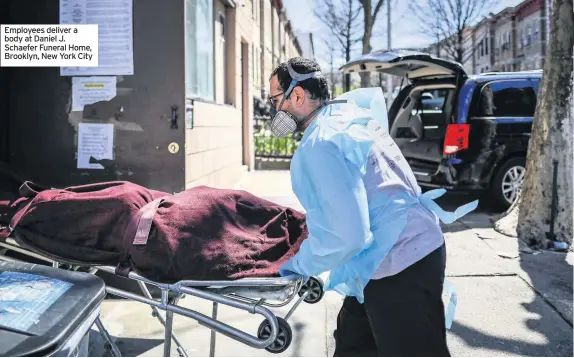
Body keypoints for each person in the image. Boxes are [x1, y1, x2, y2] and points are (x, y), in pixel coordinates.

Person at [268, 57, 477, 357]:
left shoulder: (322, 142)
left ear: (297, 95)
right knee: (353, 343)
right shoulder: (348, 117)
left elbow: (348, 235)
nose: (276, 110)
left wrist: (297, 265)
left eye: (277, 99)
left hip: (400, 266)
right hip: (399, 256)